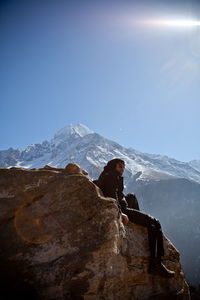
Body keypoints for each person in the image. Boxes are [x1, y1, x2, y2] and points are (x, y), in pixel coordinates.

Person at [93, 158, 175, 278]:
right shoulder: (111, 176)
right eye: (119, 166)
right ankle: (155, 264)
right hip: (123, 209)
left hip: (123, 205)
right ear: (113, 166)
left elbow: (117, 194)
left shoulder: (110, 175)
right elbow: (111, 197)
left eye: (123, 166)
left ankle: (141, 221)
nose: (122, 169)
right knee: (155, 223)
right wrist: (121, 213)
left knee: (132, 196)